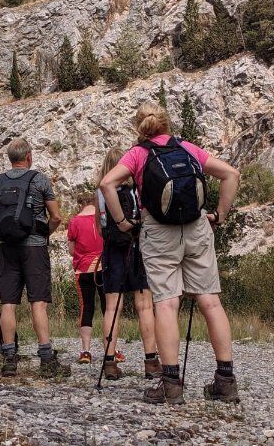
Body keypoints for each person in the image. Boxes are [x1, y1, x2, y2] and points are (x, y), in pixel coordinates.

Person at [99, 101, 241, 405]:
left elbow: (107, 183)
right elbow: (231, 174)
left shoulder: (138, 154)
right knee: (210, 301)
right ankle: (226, 381)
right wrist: (219, 215)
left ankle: (171, 384)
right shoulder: (187, 148)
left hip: (158, 232)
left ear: (139, 127)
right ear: (166, 123)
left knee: (166, 303)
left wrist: (123, 223)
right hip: (197, 226)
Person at [0, 138, 70, 378]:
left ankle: (9, 358)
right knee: (38, 302)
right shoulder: (39, 179)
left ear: (10, 158)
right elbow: (56, 216)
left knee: (8, 303)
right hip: (34, 248)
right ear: (29, 156)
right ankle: (46, 359)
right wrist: (44, 234)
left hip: (7, 248)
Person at [96, 148, 159, 381]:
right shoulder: (135, 190)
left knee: (112, 307)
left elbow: (99, 227)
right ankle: (151, 361)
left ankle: (109, 362)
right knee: (145, 306)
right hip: (137, 249)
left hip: (112, 250)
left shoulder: (100, 193)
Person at [66, 192, 104, 364]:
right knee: (108, 308)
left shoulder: (74, 221)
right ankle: (112, 350)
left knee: (86, 308)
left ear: (80, 205)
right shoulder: (101, 218)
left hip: (83, 269)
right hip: (103, 266)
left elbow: (72, 251)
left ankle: (86, 351)